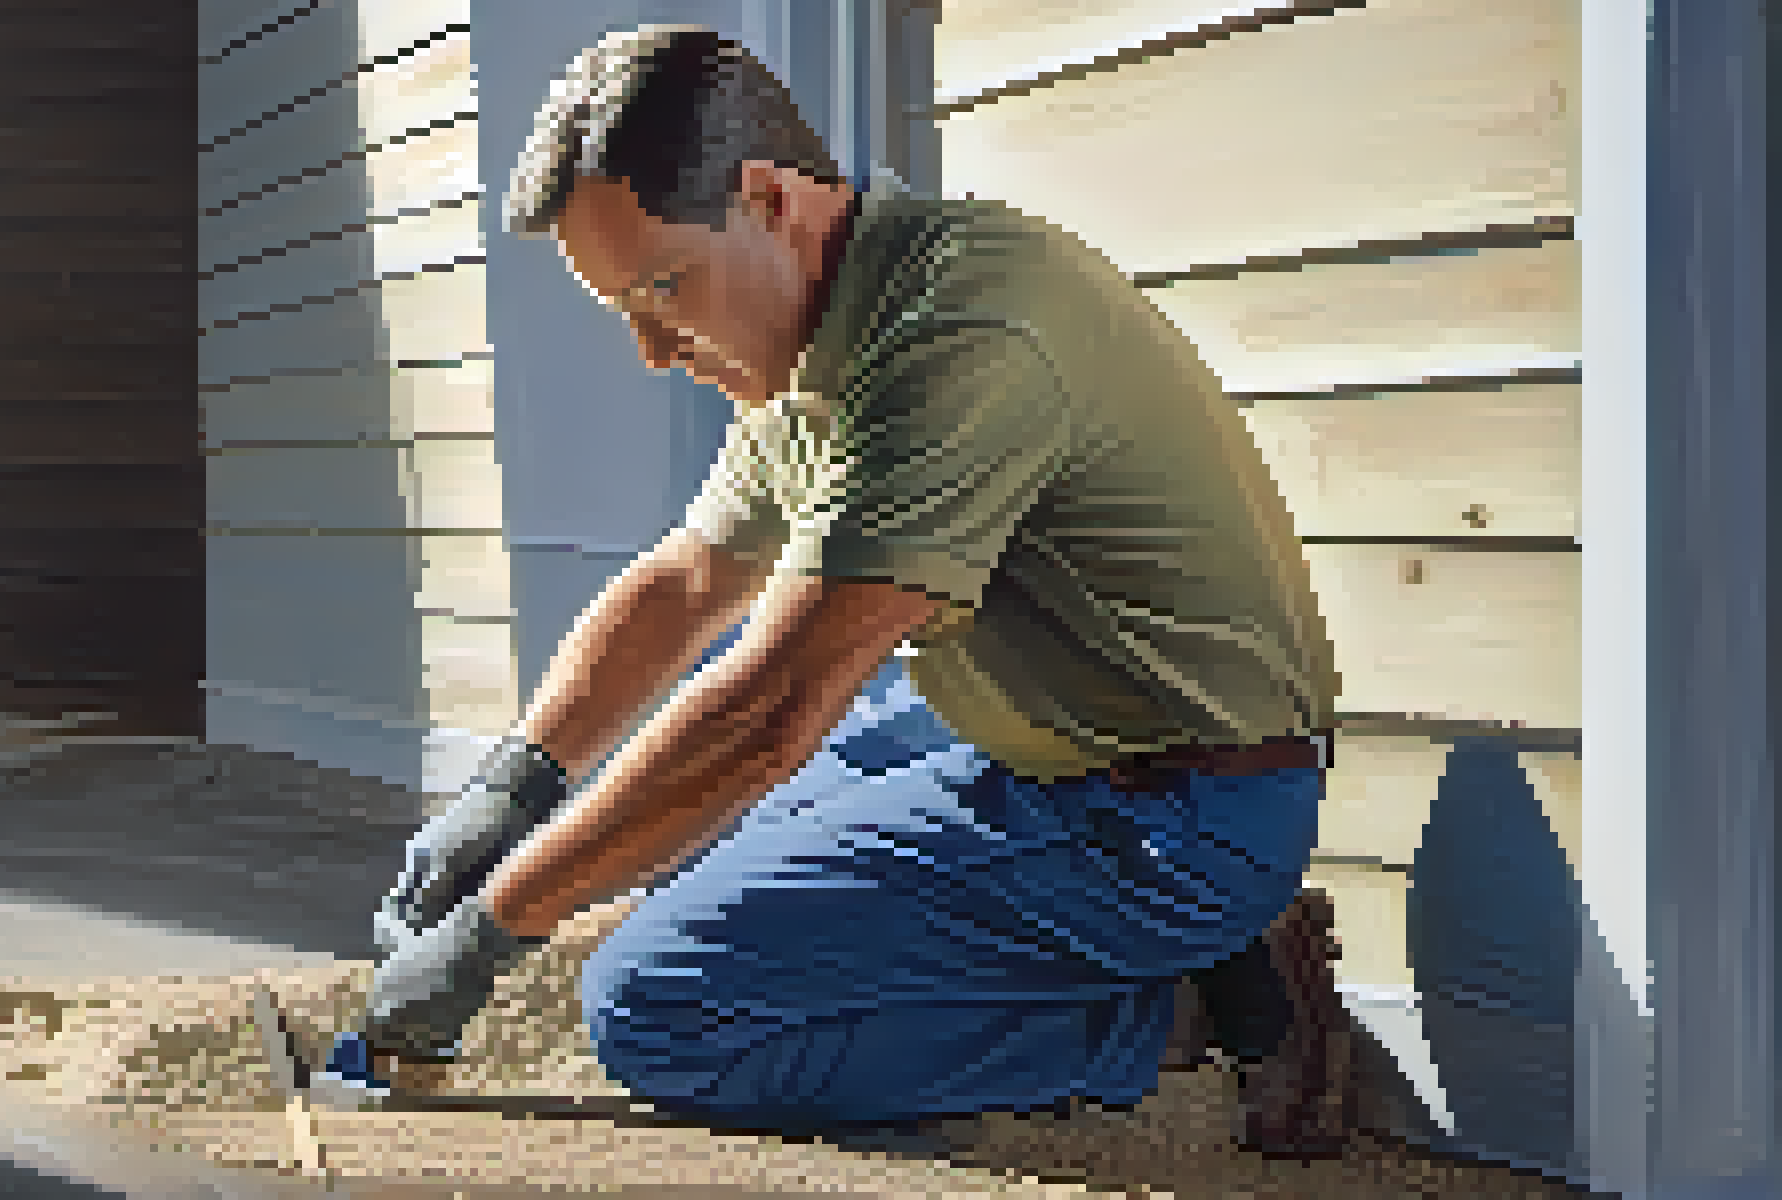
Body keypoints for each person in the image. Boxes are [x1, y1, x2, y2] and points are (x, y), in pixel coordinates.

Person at [324, 24, 1356, 1154]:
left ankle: (1184, 1010)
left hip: (1170, 819)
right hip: (1037, 738)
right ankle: (1158, 958)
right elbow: (688, 579)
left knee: (662, 1007)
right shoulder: (827, 333)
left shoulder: (958, 332)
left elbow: (769, 713)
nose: (652, 350)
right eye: (622, 307)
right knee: (673, 836)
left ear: (768, 198)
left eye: (662, 288)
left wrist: (488, 932)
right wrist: (516, 788)